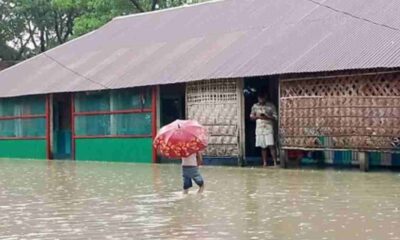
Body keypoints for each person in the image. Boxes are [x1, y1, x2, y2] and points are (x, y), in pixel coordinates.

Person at [250, 92, 278, 167]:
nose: (261, 99)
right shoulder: (255, 106)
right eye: (260, 98)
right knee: (263, 147)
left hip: (268, 127)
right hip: (259, 128)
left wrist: (267, 116)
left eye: (263, 98)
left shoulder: (270, 106)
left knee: (271, 145)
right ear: (258, 98)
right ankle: (264, 163)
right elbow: (251, 117)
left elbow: (275, 117)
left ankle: (275, 162)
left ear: (265, 97)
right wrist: (258, 116)